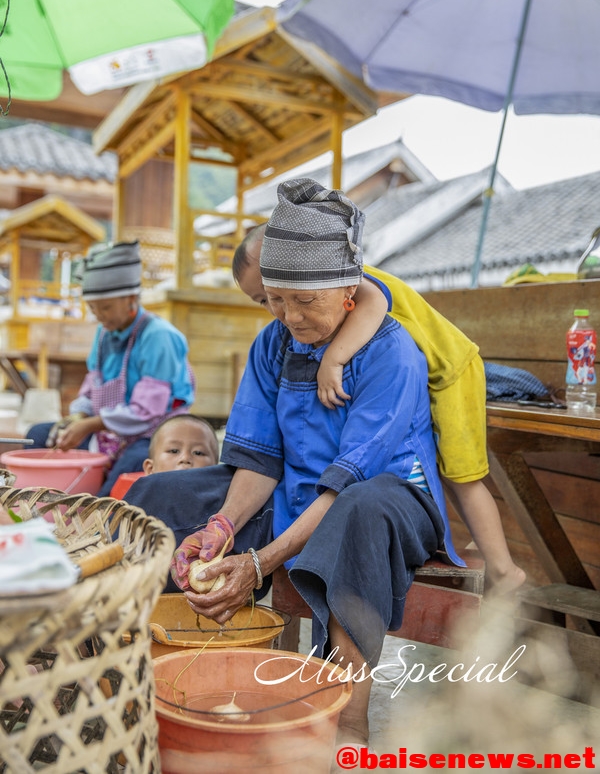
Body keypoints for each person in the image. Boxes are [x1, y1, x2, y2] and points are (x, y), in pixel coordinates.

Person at [127, 178, 461, 748]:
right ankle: (157, 671)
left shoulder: (391, 354)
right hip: (299, 493)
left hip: (387, 498)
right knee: (159, 496)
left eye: (305, 301)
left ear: (349, 293)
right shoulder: (273, 343)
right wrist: (223, 527)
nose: (289, 317)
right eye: (275, 300)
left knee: (359, 511)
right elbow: (259, 460)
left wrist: (259, 564)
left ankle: (348, 717)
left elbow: (347, 482)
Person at [233, 220, 525, 597]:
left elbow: (374, 305)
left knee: (461, 477)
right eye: (269, 299)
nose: (283, 313)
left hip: (452, 369)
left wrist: (333, 360)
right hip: (423, 368)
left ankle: (504, 569)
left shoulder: (343, 274)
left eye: (294, 297)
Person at [26, 241, 196, 497]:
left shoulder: (159, 336)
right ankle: (40, 508)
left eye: (105, 307)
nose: (99, 316)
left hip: (150, 431)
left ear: (130, 298)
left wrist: (92, 424)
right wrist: (77, 419)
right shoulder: (104, 333)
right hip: (107, 430)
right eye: (94, 309)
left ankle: (99, 521)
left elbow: (147, 411)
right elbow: (91, 386)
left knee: (132, 466)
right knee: (39, 435)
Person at [142, 413, 219, 475]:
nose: (185, 458)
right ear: (150, 469)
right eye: (174, 451)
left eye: (198, 453)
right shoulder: (138, 494)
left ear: (216, 470)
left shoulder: (225, 494)